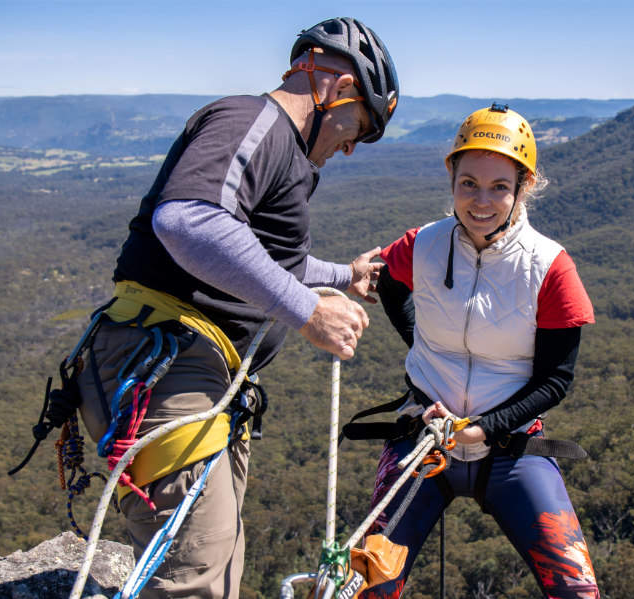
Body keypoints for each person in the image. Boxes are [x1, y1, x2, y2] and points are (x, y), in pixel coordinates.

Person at [70, 17, 398, 599]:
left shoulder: (281, 148)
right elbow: (189, 220)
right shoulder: (254, 120)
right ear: (339, 87)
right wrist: (308, 312)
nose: (350, 145)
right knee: (194, 578)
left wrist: (343, 277)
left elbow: (266, 260)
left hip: (189, 367)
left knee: (215, 568)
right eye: (359, 127)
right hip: (169, 363)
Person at [360, 104, 601, 598]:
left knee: (576, 590)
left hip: (511, 445)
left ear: (523, 188)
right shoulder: (421, 246)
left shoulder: (550, 268)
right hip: (425, 434)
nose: (481, 201)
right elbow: (389, 282)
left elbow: (556, 379)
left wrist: (485, 428)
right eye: (469, 183)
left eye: (499, 187)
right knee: (364, 585)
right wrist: (421, 344)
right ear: (452, 178)